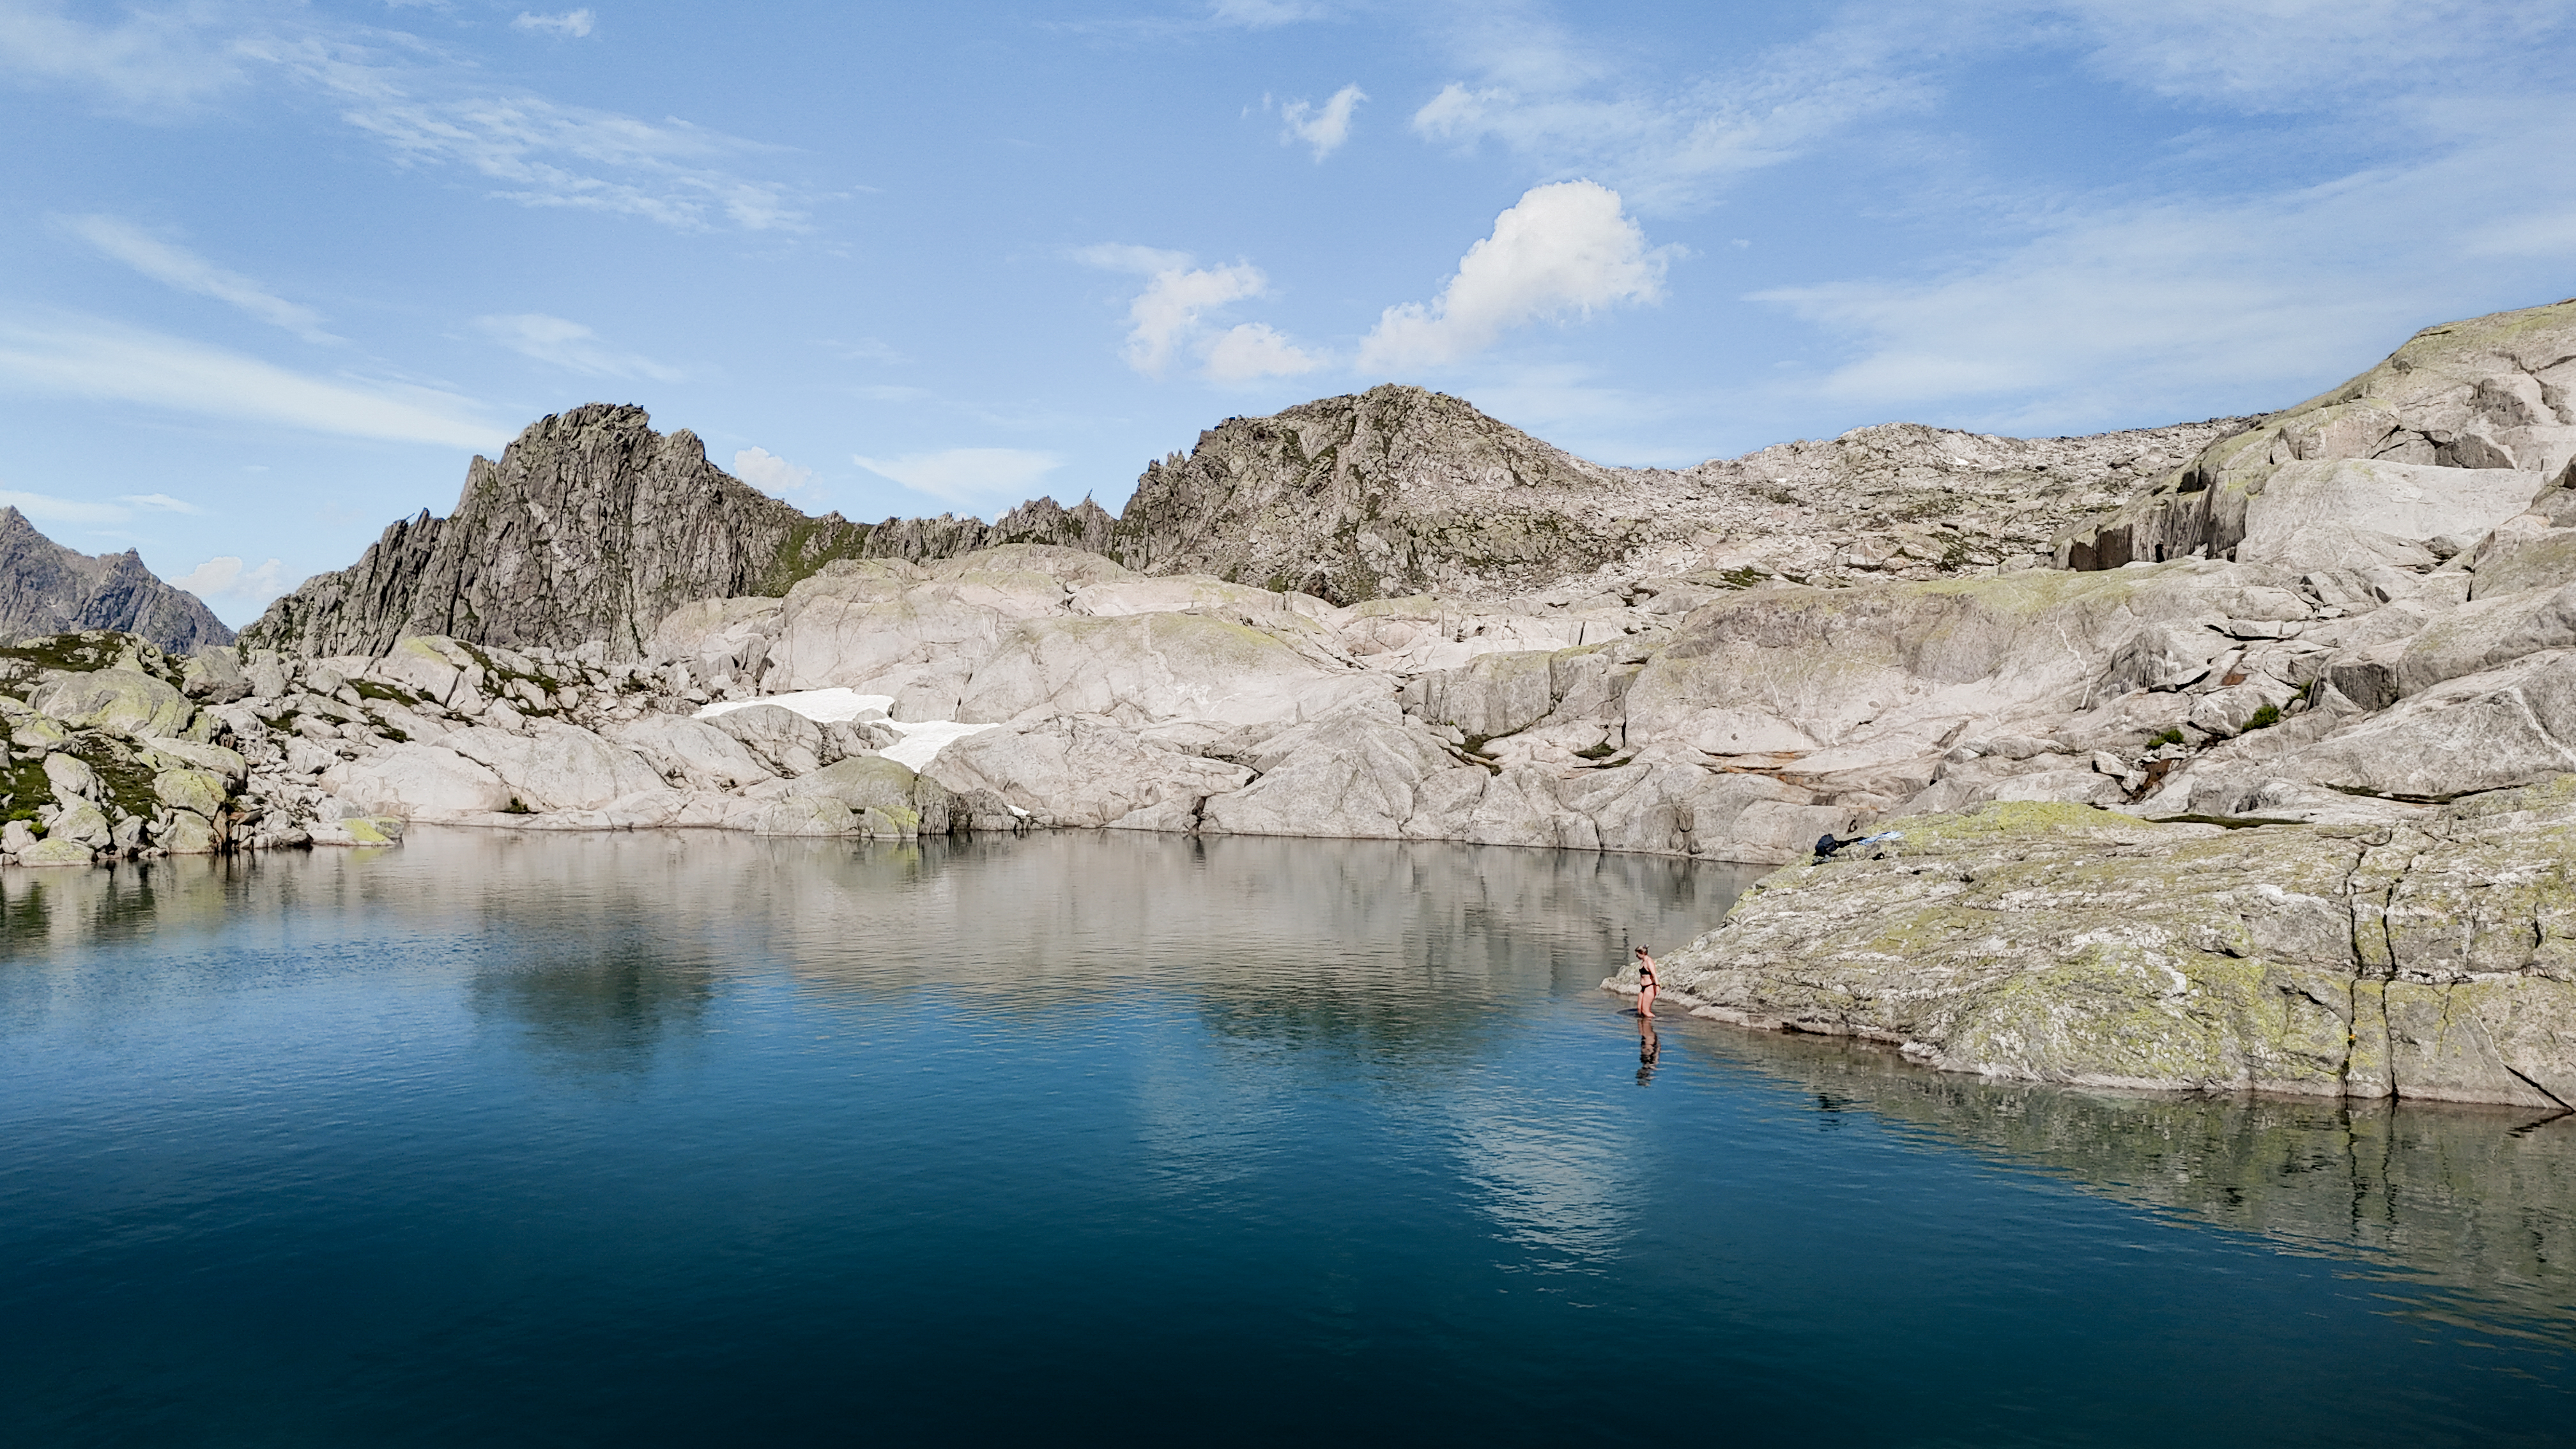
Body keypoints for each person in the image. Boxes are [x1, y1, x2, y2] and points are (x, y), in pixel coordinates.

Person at [1633, 946, 1659, 1018]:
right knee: (1639, 1010)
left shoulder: (1649, 962)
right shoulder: (1644, 962)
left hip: (1650, 987)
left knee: (1646, 1011)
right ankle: (1642, 1028)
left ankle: (1658, 1021)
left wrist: (1657, 986)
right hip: (1643, 988)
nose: (1637, 956)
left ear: (1642, 953)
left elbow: (1654, 974)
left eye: (1637, 954)